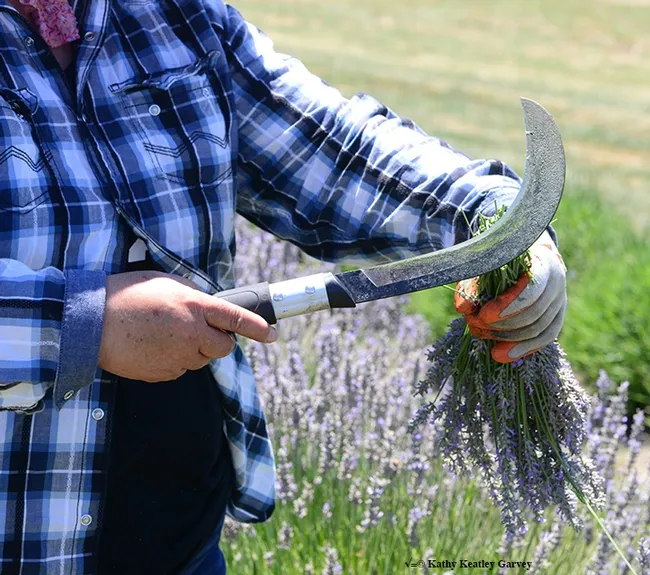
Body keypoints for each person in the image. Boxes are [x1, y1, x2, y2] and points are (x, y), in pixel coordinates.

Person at [0, 0, 567, 572]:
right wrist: (82, 325)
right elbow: (82, 323)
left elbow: (335, 154)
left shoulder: (170, 15)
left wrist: (494, 221)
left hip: (177, 545)